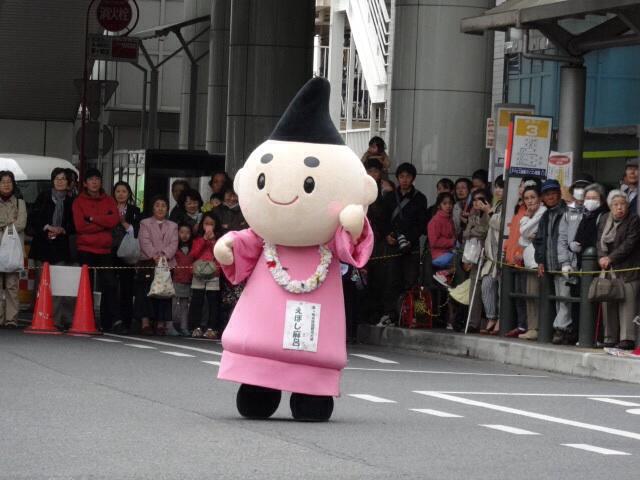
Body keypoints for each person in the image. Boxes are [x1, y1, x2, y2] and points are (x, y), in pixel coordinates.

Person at [378, 162, 428, 326]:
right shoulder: (390, 197)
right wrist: (387, 235)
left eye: (408, 176)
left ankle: (418, 316)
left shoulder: (420, 198)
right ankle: (391, 315)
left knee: (413, 281)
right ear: (397, 178)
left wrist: (409, 239)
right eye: (401, 176)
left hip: (411, 247)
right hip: (392, 245)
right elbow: (383, 220)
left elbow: (421, 224)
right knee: (391, 280)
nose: (404, 180)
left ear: (413, 178)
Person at [72, 168, 120, 332]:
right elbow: (80, 226)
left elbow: (114, 220)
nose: (94, 182)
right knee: (87, 285)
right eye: (91, 179)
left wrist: (92, 219)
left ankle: (109, 321)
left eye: (97, 179)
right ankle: (88, 319)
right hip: (85, 248)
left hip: (105, 249)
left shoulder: (109, 200)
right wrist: (103, 224)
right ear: (85, 183)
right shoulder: (78, 201)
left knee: (110, 284)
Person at [28, 168, 75, 328]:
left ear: (68, 182)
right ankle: (41, 316)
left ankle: (58, 319)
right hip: (42, 245)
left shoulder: (71, 201)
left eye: (63, 179)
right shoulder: (43, 197)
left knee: (59, 284)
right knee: (42, 283)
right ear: (52, 181)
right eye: (57, 178)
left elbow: (74, 224)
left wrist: (62, 229)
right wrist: (47, 227)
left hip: (61, 247)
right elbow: (33, 219)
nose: (60, 181)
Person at [597, 190, 640, 350]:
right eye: (615, 204)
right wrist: (602, 257)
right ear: (610, 206)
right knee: (608, 302)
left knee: (628, 303)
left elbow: (629, 243)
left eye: (623, 204)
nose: (619, 207)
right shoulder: (604, 219)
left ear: (628, 206)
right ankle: (610, 337)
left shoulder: (634, 220)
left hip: (628, 269)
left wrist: (611, 258)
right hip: (609, 269)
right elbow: (599, 241)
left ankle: (627, 338)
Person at [533, 179, 570, 342]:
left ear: (559, 194)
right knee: (559, 298)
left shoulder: (567, 212)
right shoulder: (545, 215)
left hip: (565, 263)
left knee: (564, 298)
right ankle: (562, 329)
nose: (550, 197)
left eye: (553, 193)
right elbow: (539, 240)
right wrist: (540, 261)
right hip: (550, 264)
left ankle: (561, 329)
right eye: (547, 194)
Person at [137, 196, 179, 336]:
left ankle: (161, 323)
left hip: (167, 264)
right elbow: (144, 241)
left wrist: (164, 256)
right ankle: (145, 323)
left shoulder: (173, 226)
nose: (160, 208)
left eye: (163, 205)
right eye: (157, 205)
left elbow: (174, 243)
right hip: (148, 262)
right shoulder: (145, 223)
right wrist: (154, 256)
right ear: (152, 208)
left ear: (167, 209)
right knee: (145, 292)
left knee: (164, 294)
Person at [555, 178, 590, 344]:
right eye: (577, 188)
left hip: (589, 264)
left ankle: (584, 335)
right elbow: (562, 239)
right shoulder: (568, 213)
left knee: (587, 300)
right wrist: (565, 262)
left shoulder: (595, 212)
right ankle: (568, 332)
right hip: (571, 264)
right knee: (568, 298)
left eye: (584, 188)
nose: (580, 192)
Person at [503, 178, 540, 337]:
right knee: (519, 293)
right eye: (522, 187)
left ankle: (528, 326)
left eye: (532, 196)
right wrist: (507, 250)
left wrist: (520, 251)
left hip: (526, 258)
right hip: (514, 258)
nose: (529, 200)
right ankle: (522, 324)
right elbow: (515, 234)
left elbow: (526, 236)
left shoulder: (537, 212)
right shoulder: (519, 210)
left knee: (527, 293)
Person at [111, 181, 142, 334]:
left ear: (129, 193)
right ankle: (111, 320)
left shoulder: (135, 210)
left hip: (128, 252)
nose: (121, 194)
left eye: (124, 191)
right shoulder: (109, 208)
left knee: (127, 288)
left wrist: (124, 223)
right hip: (111, 250)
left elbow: (137, 230)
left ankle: (126, 322)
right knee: (110, 286)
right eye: (118, 191)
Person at [518, 184, 546, 340]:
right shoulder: (531, 215)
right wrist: (527, 221)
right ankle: (531, 327)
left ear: (540, 198)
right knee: (529, 295)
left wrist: (525, 220)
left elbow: (524, 231)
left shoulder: (542, 212)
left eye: (533, 197)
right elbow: (522, 240)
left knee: (535, 295)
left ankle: (536, 328)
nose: (529, 201)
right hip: (529, 260)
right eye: (526, 198)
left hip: (538, 261)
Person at [189, 212, 222, 339]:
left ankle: (212, 328)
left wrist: (213, 241)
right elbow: (194, 254)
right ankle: (195, 327)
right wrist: (204, 240)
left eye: (211, 224)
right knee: (197, 300)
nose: (208, 227)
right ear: (202, 225)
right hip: (198, 272)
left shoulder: (220, 240)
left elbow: (219, 254)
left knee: (213, 301)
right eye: (206, 224)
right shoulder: (197, 239)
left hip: (213, 272)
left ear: (215, 225)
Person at [0, 171, 27, 328]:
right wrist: (10, 223)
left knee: (12, 285)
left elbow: (21, 223)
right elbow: (14, 224)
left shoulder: (19, 203)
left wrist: (4, 227)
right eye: (3, 182)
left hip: (12, 248)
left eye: (9, 181)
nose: (6, 184)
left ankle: (11, 319)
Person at [479, 175, 504, 335]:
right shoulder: (497, 204)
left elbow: (501, 225)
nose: (498, 190)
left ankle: (501, 319)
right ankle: (491, 317)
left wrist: (489, 212)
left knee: (502, 289)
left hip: (503, 256)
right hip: (491, 257)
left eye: (501, 187)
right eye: (496, 187)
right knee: (487, 285)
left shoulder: (510, 205)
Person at [463, 189, 490, 332]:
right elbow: (465, 234)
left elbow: (484, 231)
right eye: (474, 199)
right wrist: (471, 231)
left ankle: (486, 322)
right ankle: (473, 323)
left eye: (480, 199)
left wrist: (471, 231)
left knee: (486, 290)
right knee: (474, 289)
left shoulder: (489, 214)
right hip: (474, 256)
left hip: (488, 256)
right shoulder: (472, 215)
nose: (476, 202)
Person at [573, 183, 608, 266]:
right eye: (588, 198)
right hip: (583, 261)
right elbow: (578, 236)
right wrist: (573, 245)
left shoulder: (604, 215)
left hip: (598, 262)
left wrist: (582, 244)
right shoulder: (586, 215)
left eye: (594, 198)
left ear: (602, 200)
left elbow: (599, 239)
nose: (590, 201)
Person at [428, 192, 456, 283]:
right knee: (460, 260)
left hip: (447, 253)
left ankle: (446, 274)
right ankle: (444, 273)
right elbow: (434, 242)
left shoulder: (449, 219)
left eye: (450, 203)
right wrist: (452, 242)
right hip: (439, 255)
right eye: (445, 203)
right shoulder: (435, 221)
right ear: (439, 205)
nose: (448, 206)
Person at [173, 223, 194, 336]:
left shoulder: (193, 248)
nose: (184, 235)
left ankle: (184, 327)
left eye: (187, 232)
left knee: (185, 305)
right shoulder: (174, 247)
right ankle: (170, 326)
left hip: (188, 280)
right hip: (175, 279)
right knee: (173, 303)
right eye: (181, 232)